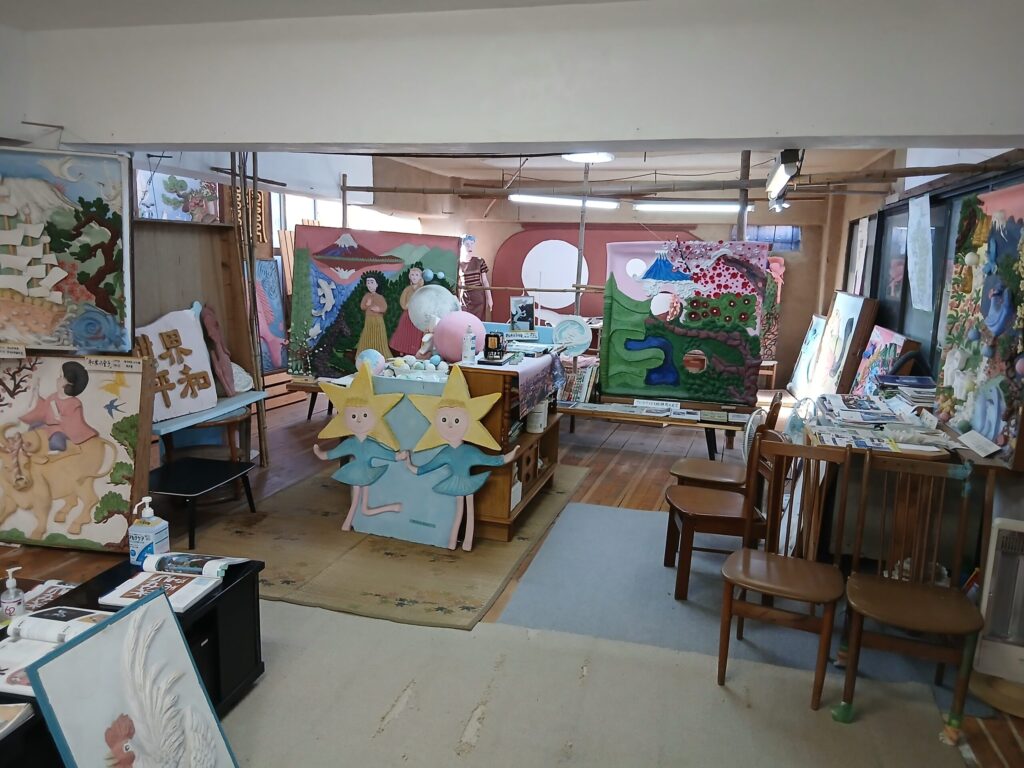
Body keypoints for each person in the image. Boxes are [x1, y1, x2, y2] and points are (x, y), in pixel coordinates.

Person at [20, 361, 98, 455]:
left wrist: (61, 418)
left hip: (62, 429)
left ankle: (57, 452)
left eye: (61, 377)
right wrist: (36, 395)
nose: (57, 379)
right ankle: (29, 447)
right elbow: (43, 408)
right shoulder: (53, 397)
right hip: (48, 426)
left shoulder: (74, 403)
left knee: (56, 438)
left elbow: (75, 422)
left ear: (69, 384)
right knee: (34, 426)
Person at [389, 266, 425, 356]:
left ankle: (416, 352)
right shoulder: (407, 289)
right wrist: (407, 305)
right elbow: (403, 302)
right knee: (405, 334)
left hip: (418, 316)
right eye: (412, 275)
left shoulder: (423, 290)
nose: (414, 277)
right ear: (409, 276)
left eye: (416, 275)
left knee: (417, 335)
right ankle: (403, 351)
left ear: (420, 277)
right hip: (407, 315)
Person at [355, 274, 391, 359]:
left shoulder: (380, 297)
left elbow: (384, 307)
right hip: (369, 320)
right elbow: (362, 306)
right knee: (367, 336)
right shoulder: (366, 296)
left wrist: (378, 309)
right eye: (368, 282)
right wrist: (367, 305)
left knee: (379, 337)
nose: (370, 285)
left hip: (378, 321)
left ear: (377, 284)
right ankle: (365, 355)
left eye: (372, 282)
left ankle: (381, 356)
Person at [459, 236, 492, 320]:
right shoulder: (458, 263)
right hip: (465, 297)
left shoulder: (480, 261)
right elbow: (459, 283)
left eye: (472, 244)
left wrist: (489, 298)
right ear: (462, 246)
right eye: (467, 244)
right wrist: (458, 299)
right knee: (464, 321)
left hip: (478, 297)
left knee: (478, 321)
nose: (469, 246)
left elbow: (485, 281)